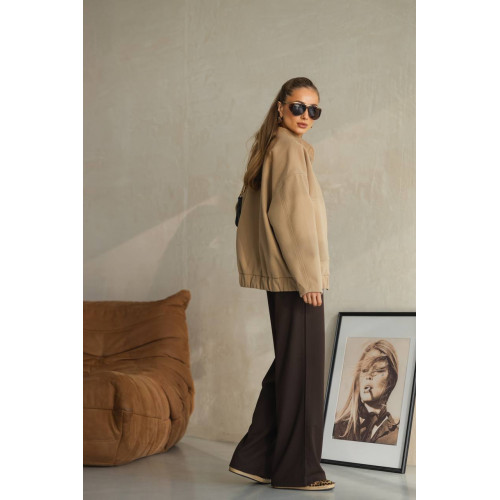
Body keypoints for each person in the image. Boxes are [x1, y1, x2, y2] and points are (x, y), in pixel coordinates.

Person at [228, 77, 335, 491]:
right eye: (298, 107)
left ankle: (256, 458)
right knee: (303, 371)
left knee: (291, 365)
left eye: (314, 110)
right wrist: (309, 278)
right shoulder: (289, 150)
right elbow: (292, 219)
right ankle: (298, 471)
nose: (305, 116)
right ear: (280, 107)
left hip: (285, 276)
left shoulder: (273, 146)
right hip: (296, 278)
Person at [333, 340, 400, 445]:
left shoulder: (395, 437)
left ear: (391, 380)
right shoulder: (337, 427)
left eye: (378, 370)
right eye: (364, 370)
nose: (369, 376)